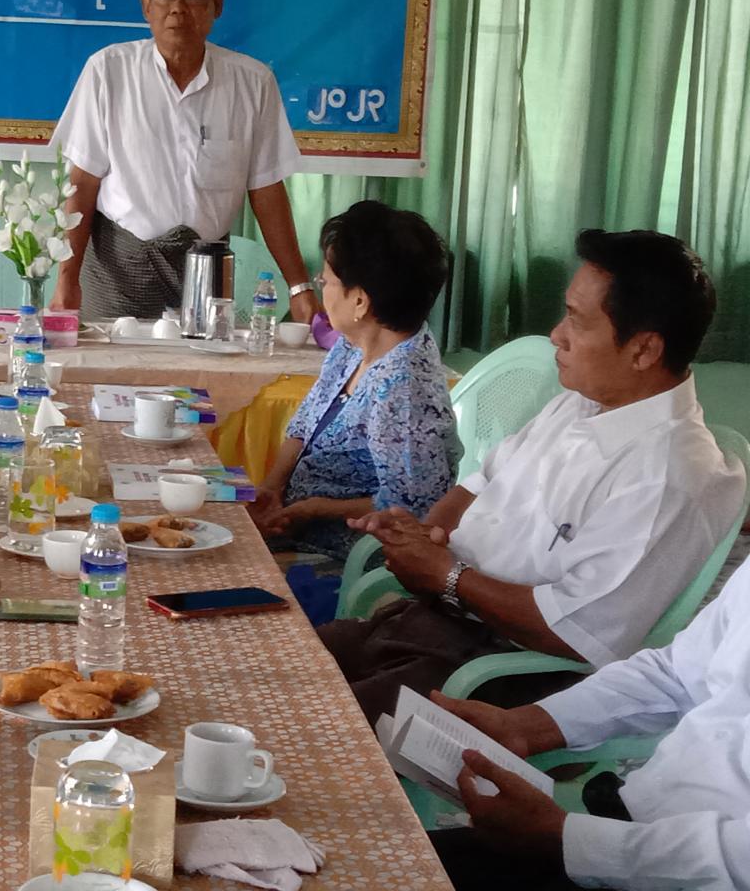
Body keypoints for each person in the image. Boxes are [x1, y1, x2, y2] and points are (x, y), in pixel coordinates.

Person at [316, 229, 743, 724]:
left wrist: (446, 575)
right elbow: (478, 483)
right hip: (433, 621)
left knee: (312, 728)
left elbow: (574, 632)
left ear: (644, 350)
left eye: (577, 321)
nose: (557, 335)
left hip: (507, 673)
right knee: (269, 661)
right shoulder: (579, 403)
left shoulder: (670, 474)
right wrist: (425, 537)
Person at [422, 548, 750, 890]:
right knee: (397, 862)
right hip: (631, 831)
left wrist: (568, 840)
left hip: (682, 869)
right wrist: (530, 725)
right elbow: (675, 673)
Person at [48, 0, 321, 323]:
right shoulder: (108, 71)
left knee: (206, 361)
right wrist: (66, 279)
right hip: (119, 270)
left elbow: (267, 190)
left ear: (217, 4)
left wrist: (299, 286)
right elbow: (83, 183)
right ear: (146, 6)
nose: (177, 8)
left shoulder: (253, 82)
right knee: (113, 360)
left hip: (207, 269)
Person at [249, 200, 461, 562]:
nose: (322, 288)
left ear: (360, 301)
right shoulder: (353, 345)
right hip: (298, 527)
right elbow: (304, 424)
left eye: (326, 281)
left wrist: (314, 509)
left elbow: (412, 505)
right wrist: (272, 486)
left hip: (345, 554)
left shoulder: (403, 389)